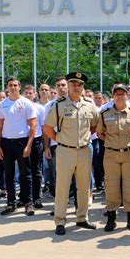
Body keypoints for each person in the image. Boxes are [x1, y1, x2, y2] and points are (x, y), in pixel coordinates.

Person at [43, 72, 99, 236]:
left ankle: (82, 217)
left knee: (83, 187)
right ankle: (60, 220)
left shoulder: (89, 104)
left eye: (80, 84)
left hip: (84, 151)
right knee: (62, 187)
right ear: (68, 86)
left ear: (83, 87)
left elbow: (95, 125)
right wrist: (59, 139)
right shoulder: (59, 105)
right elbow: (47, 127)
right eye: (73, 84)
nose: (77, 87)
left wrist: (86, 137)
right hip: (65, 151)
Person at [97, 84, 130, 232]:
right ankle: (111, 219)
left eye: (122, 93)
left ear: (127, 96)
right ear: (113, 96)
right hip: (111, 154)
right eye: (117, 94)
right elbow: (100, 133)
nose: (120, 96)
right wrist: (113, 143)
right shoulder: (105, 113)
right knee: (111, 186)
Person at [0, 77, 38, 216]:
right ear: (7, 88)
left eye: (15, 85)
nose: (13, 87)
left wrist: (29, 145)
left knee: (25, 174)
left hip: (22, 141)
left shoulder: (26, 103)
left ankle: (28, 202)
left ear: (19, 86)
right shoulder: (3, 104)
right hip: (6, 142)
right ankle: (11, 203)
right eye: (10, 85)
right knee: (9, 174)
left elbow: (33, 126)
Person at [23, 84, 46, 208]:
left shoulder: (39, 108)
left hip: (36, 140)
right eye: (26, 93)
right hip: (22, 140)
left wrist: (44, 144)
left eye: (30, 93)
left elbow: (43, 127)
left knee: (36, 170)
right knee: (24, 170)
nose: (28, 95)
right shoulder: (20, 106)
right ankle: (25, 197)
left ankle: (37, 197)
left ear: (35, 94)